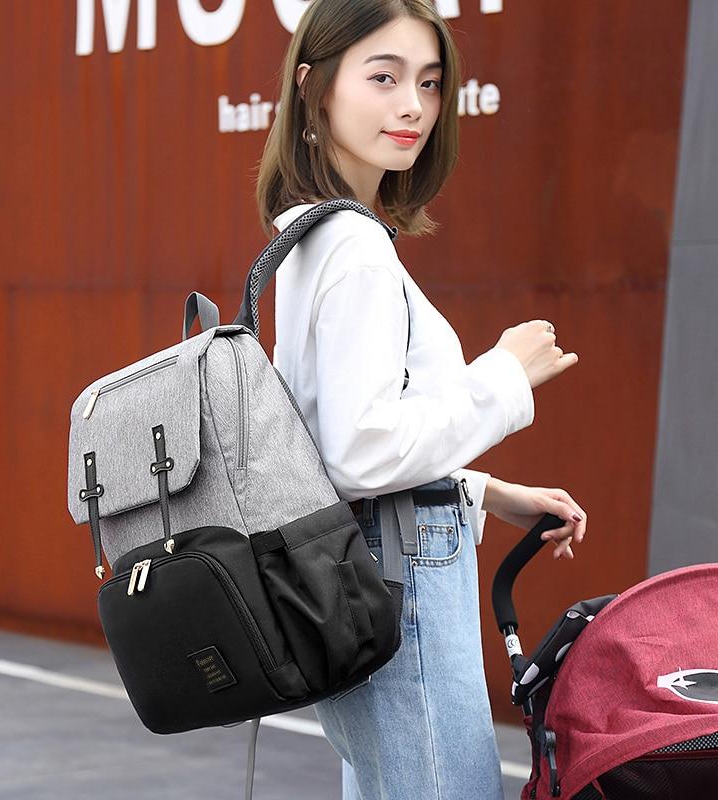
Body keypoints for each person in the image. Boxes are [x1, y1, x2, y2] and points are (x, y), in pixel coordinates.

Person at [254, 1, 587, 798]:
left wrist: (480, 490)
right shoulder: (355, 245)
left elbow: (328, 443)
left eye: (431, 83)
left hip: (357, 575)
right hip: (397, 586)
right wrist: (505, 373)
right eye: (384, 77)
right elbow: (363, 449)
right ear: (315, 88)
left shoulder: (307, 236)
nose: (413, 106)